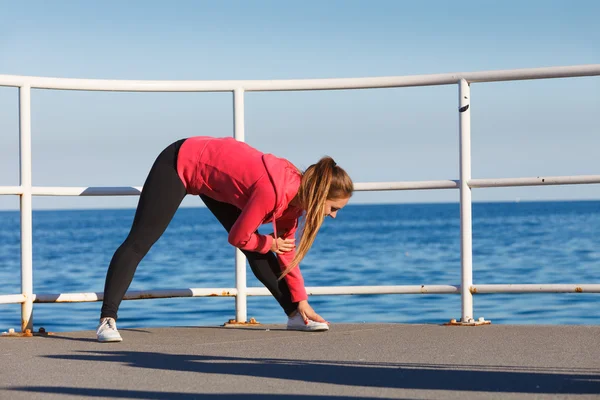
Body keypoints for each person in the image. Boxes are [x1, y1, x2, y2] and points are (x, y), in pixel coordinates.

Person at [96, 136, 354, 342]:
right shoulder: (273, 191)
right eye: (333, 208)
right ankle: (107, 319)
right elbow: (238, 237)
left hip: (212, 180)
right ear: (319, 195)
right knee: (140, 241)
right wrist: (269, 243)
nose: (332, 216)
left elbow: (286, 253)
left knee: (260, 250)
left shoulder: (295, 204)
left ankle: (294, 315)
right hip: (181, 160)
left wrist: (302, 301)